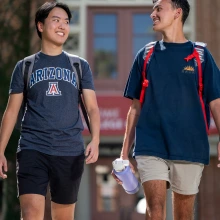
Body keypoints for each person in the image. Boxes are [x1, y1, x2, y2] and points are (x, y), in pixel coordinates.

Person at [112, 0, 220, 219]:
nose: (152, 14)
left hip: (190, 145)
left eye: (158, 8)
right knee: (155, 209)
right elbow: (135, 108)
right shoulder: (146, 55)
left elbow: (215, 102)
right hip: (150, 144)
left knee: (183, 214)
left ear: (177, 13)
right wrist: (124, 154)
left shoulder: (201, 56)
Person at [0, 2, 100, 220]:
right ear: (41, 26)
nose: (62, 25)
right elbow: (11, 111)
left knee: (63, 217)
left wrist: (96, 139)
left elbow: (92, 108)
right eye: (56, 20)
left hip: (69, 150)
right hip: (32, 147)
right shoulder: (25, 66)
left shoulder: (79, 66)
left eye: (66, 22)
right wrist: (0, 149)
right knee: (31, 214)